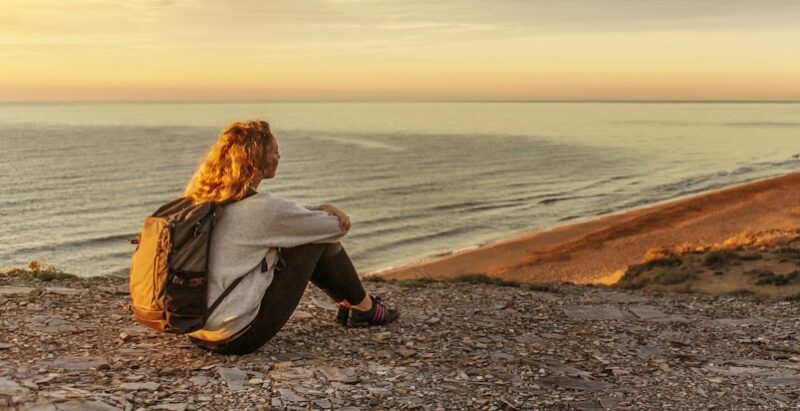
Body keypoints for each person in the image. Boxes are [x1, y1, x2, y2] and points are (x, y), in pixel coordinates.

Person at [185, 120, 399, 355]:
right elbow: (336, 228)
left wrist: (316, 208)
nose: (279, 157)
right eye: (275, 152)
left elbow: (278, 221)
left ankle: (359, 307)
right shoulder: (265, 209)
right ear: (258, 160)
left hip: (195, 328)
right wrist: (325, 210)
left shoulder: (204, 200)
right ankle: (366, 308)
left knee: (302, 232)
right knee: (312, 242)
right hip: (234, 337)